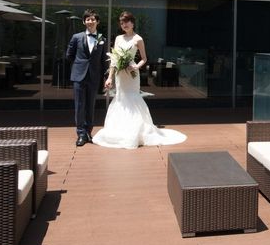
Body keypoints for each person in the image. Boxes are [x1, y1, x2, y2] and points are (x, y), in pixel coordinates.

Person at [92, 11, 187, 149]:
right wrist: (110, 78)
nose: (124, 24)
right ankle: (121, 130)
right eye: (122, 22)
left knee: (132, 98)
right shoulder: (118, 38)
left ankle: (136, 131)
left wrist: (136, 66)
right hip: (120, 74)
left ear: (132, 23)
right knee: (120, 98)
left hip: (131, 74)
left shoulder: (138, 39)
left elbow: (144, 58)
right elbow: (114, 59)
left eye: (126, 21)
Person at [66, 9, 107, 147]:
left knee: (90, 106)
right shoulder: (76, 37)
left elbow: (104, 60)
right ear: (84, 22)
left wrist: (106, 77)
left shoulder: (102, 39)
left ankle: (88, 132)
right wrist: (79, 66)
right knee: (79, 106)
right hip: (79, 76)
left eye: (93, 19)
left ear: (97, 21)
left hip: (94, 77)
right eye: (88, 19)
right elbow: (69, 55)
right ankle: (81, 134)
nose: (90, 21)